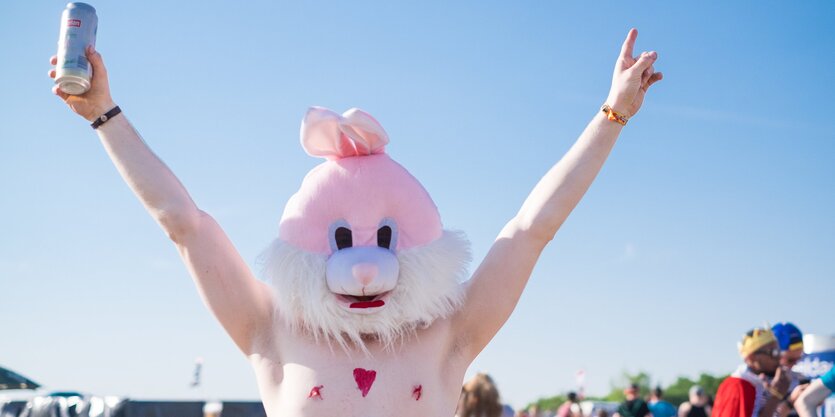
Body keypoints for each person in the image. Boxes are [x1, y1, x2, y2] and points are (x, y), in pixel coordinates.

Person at [48, 28, 661, 417]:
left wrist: (612, 115)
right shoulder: (270, 327)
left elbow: (531, 229)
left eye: (384, 238)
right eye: (342, 238)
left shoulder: (451, 331)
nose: (365, 265)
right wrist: (104, 114)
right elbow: (184, 223)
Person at [712, 328, 791, 417]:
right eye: (773, 352)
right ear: (752, 357)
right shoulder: (738, 387)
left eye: (779, 351)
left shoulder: (755, 384)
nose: (779, 357)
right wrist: (776, 395)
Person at [771, 323, 809, 417]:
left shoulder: (801, 379)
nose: (795, 363)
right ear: (774, 354)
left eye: (799, 358)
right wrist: (791, 401)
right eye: (790, 360)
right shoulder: (759, 381)